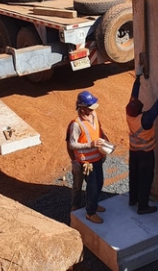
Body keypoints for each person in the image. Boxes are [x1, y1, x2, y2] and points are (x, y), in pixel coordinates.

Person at [126, 67, 158, 215]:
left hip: (133, 152)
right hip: (146, 155)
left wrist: (138, 78)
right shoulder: (145, 119)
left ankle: (132, 199)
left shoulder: (129, 113)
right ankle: (143, 206)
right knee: (145, 179)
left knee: (133, 175)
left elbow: (133, 95)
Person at [66, 90, 109, 224]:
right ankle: (90, 212)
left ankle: (94, 205)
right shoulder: (76, 124)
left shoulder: (94, 115)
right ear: (82, 108)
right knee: (92, 187)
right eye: (89, 108)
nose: (92, 110)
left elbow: (98, 130)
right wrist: (91, 144)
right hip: (86, 162)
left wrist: (104, 138)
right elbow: (72, 144)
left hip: (97, 158)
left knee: (100, 182)